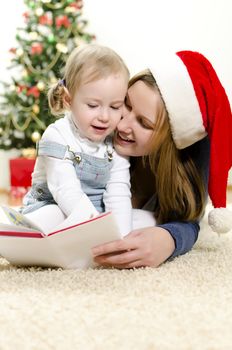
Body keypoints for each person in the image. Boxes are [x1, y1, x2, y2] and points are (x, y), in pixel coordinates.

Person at [92, 50, 232, 268]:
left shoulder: (191, 154)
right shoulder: (101, 124)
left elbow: (189, 218)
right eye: (126, 104)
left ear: (171, 139)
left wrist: (169, 239)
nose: (121, 125)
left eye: (144, 123)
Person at [21, 44, 132, 236]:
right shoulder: (56, 135)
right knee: (52, 217)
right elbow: (64, 189)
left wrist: (121, 237)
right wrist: (96, 230)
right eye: (93, 105)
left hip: (96, 213)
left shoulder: (114, 143)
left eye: (115, 107)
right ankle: (22, 228)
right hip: (55, 204)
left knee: (142, 219)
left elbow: (119, 193)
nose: (105, 116)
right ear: (68, 100)